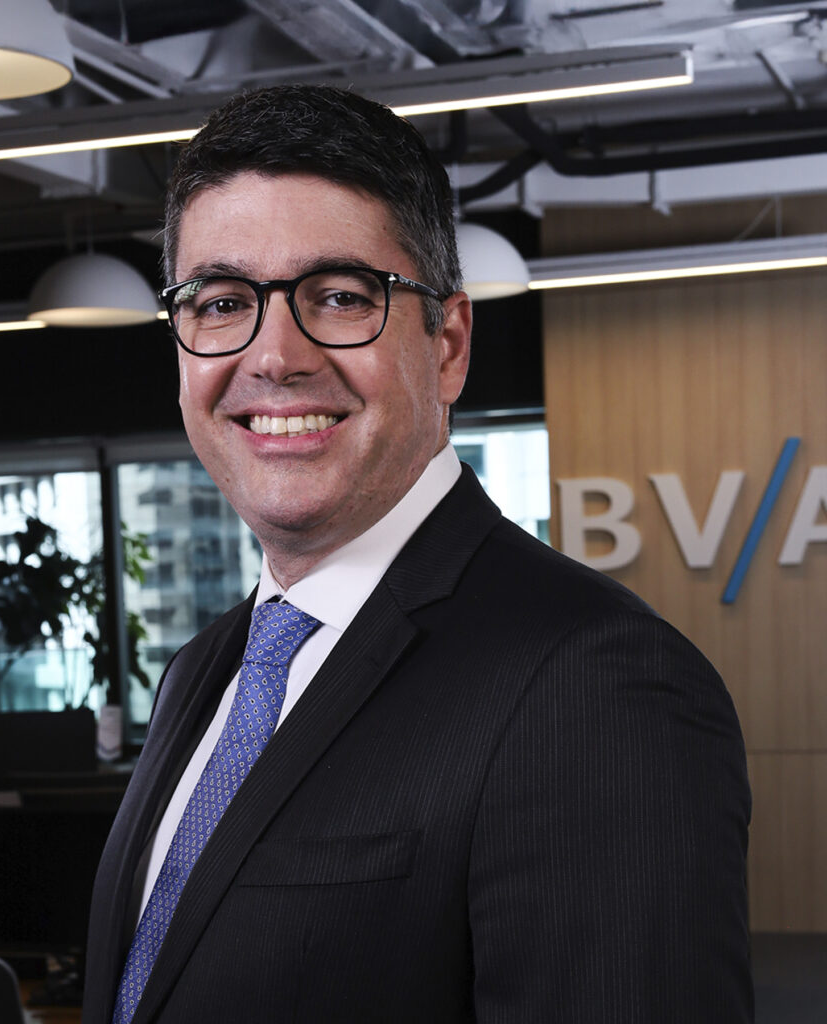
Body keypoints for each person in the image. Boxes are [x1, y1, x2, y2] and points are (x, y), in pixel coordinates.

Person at [82, 84, 752, 1024]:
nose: (273, 356)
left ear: (448, 345)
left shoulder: (593, 685)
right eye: (223, 302)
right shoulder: (204, 671)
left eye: (340, 296)